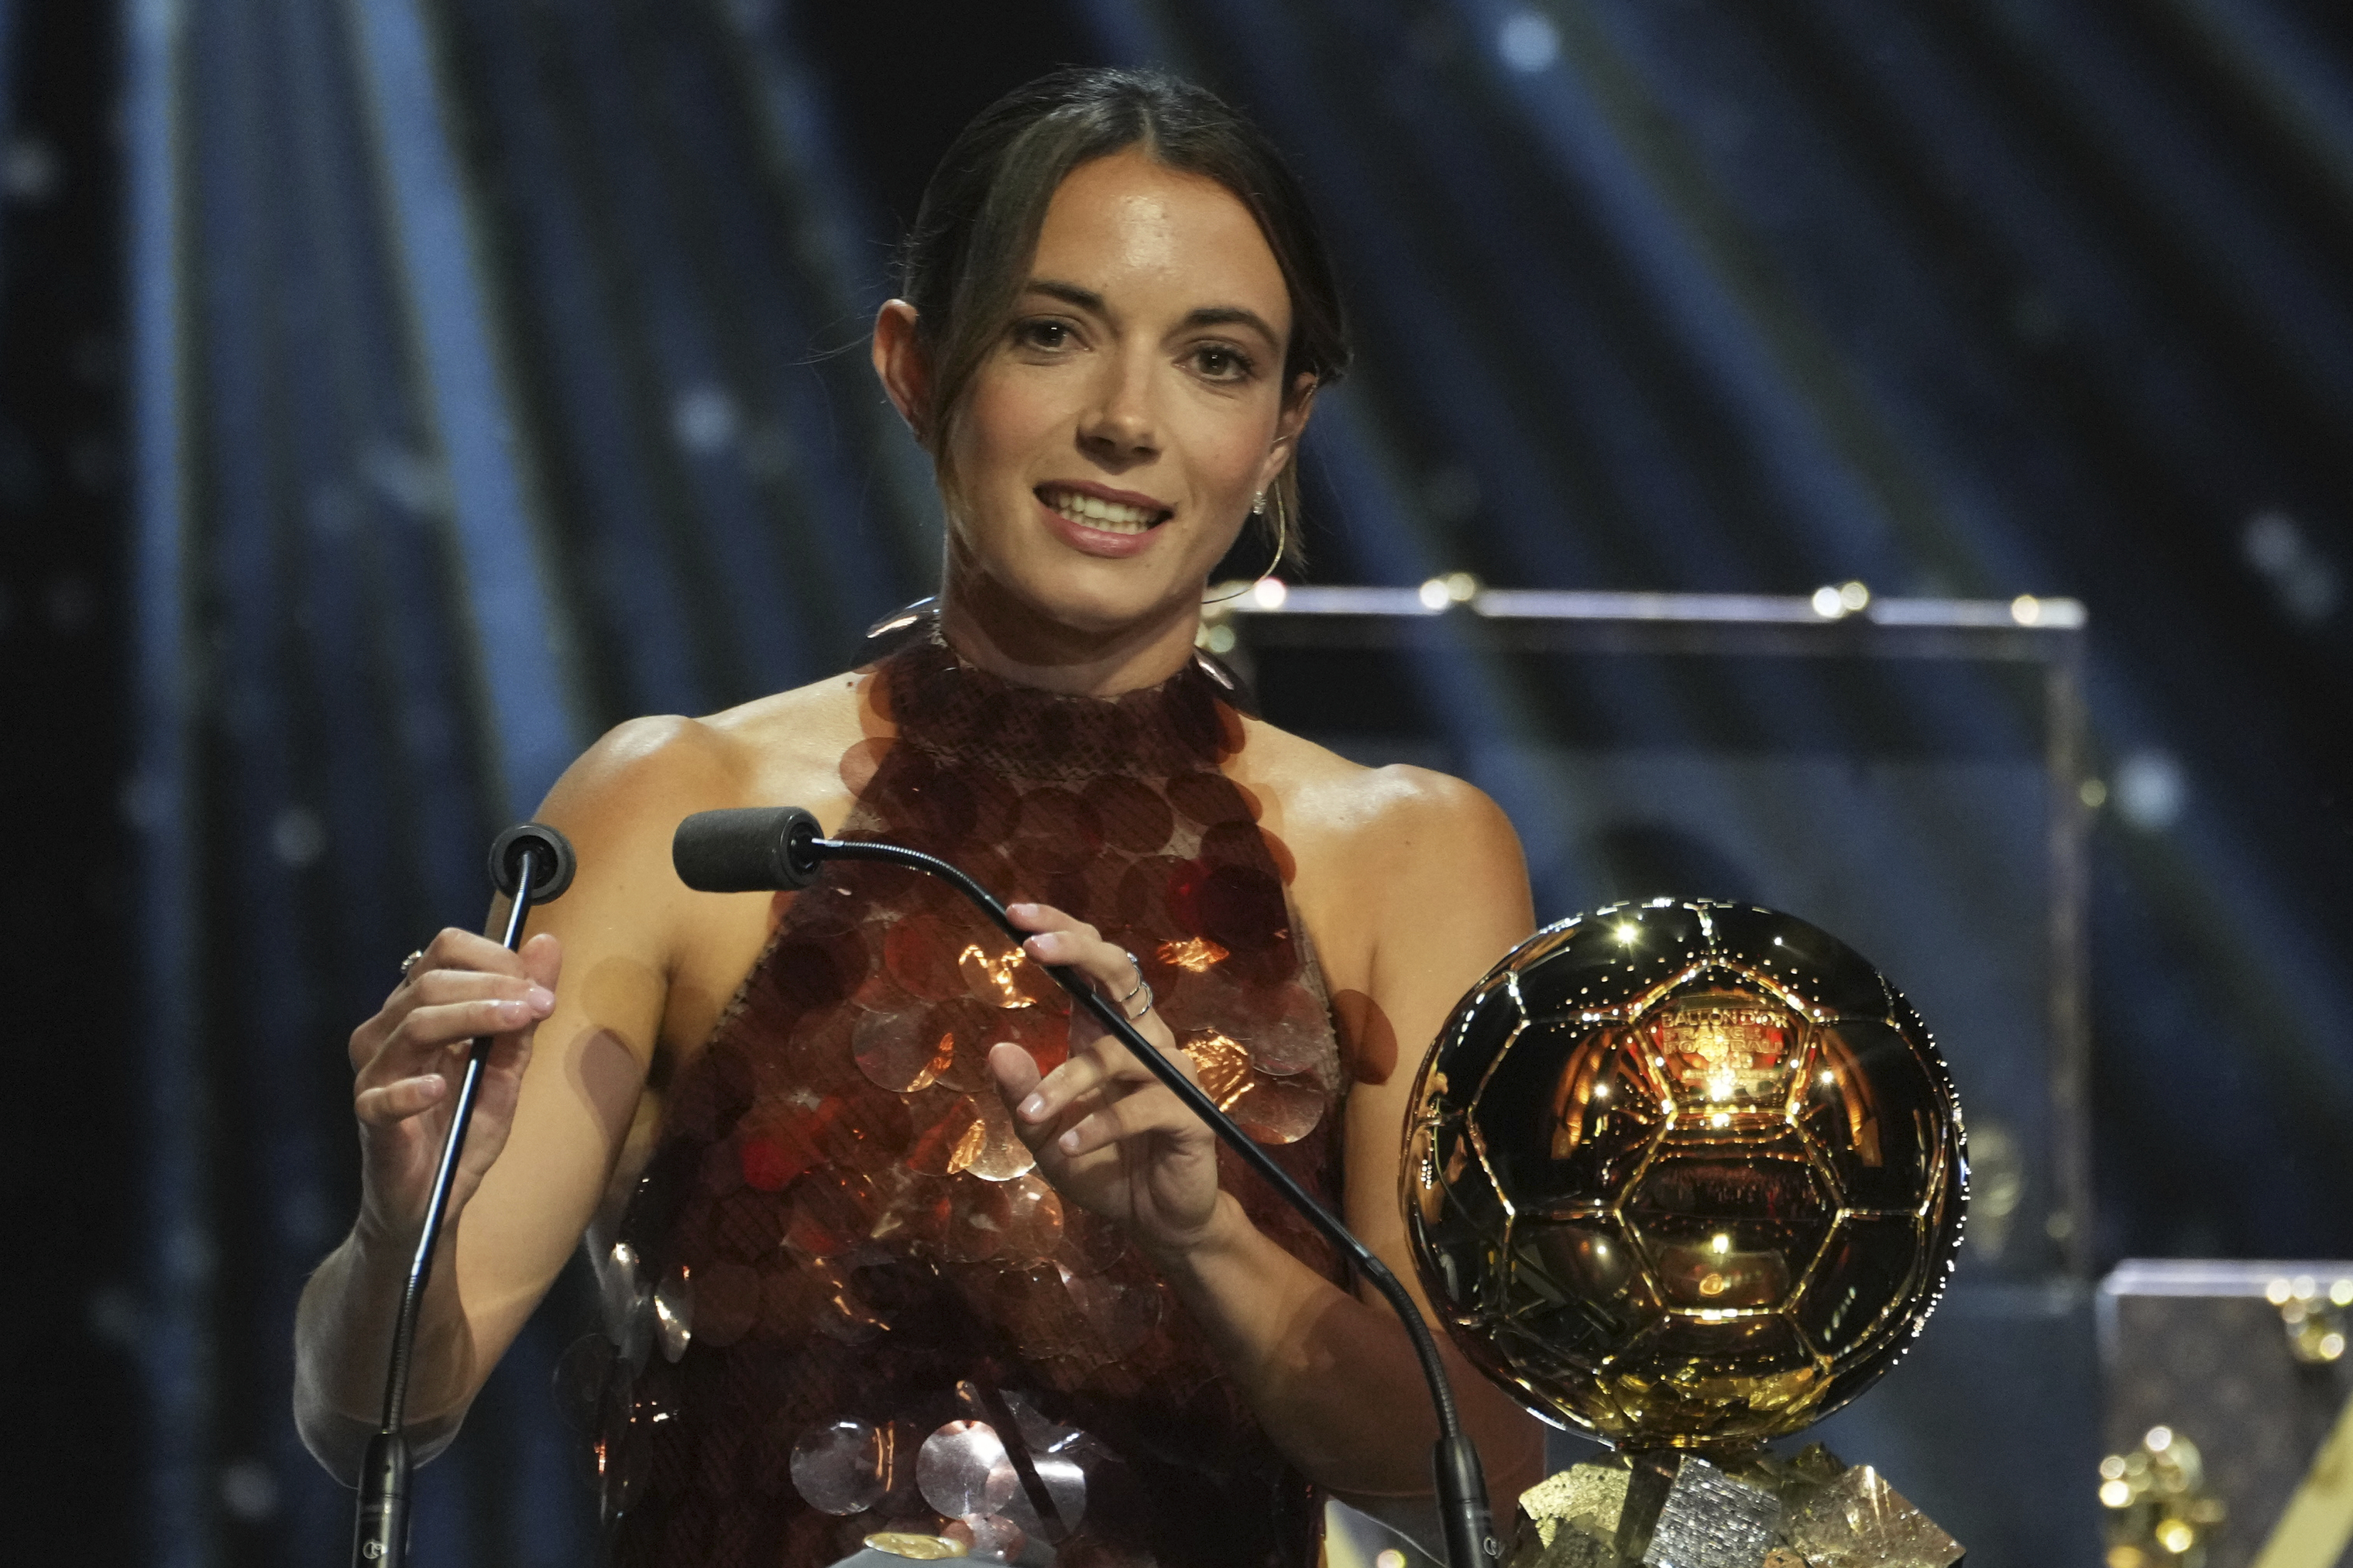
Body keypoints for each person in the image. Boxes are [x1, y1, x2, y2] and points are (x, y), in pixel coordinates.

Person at [295, 67, 1541, 1567]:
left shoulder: (1406, 852)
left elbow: (1471, 1472)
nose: (1127, 421)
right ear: (915, 364)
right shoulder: (682, 808)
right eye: (1051, 332)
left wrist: (1206, 1235)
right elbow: (377, 1412)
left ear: (1282, 429)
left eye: (1213, 360)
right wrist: (396, 1233)